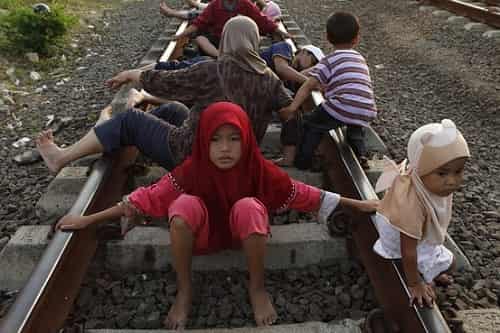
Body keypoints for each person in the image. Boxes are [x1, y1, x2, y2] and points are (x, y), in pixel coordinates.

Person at [56, 102, 379, 329]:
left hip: (245, 232)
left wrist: (356, 204)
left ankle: (257, 287)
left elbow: (304, 194)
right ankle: (185, 289)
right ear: (203, 142)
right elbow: (146, 198)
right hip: (204, 235)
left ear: (246, 140)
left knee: (250, 206)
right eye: (215, 140)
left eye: (234, 138)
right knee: (181, 207)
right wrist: (87, 220)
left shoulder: (258, 168)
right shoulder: (193, 169)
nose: (225, 148)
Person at [36, 16, 292, 174]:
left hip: (193, 157)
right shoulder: (270, 79)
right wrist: (289, 156)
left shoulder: (213, 70)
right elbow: (291, 116)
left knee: (130, 119)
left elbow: (166, 84)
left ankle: (63, 157)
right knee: (175, 111)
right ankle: (111, 137)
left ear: (225, 40)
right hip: (238, 157)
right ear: (255, 41)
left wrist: (133, 74)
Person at [372, 119, 470, 308]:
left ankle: (430, 270)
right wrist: (414, 284)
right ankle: (424, 274)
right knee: (448, 264)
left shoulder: (431, 186)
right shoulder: (413, 203)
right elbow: (408, 251)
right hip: (401, 242)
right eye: (442, 173)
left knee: (449, 263)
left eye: (458, 171)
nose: (452, 181)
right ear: (420, 169)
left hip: (418, 237)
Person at [279, 12, 377, 169]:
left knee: (311, 124)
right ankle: (362, 155)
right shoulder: (360, 58)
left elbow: (308, 85)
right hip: (366, 109)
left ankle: (303, 161)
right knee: (355, 127)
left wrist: (292, 108)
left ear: (327, 37)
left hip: (341, 106)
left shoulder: (329, 60)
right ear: (356, 39)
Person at [175, 0, 289, 57]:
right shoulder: (215, 5)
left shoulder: (245, 4)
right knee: (200, 38)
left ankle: (232, 56)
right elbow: (198, 23)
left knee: (253, 39)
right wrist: (181, 35)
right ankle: (219, 56)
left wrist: (278, 30)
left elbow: (262, 20)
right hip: (219, 40)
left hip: (239, 41)